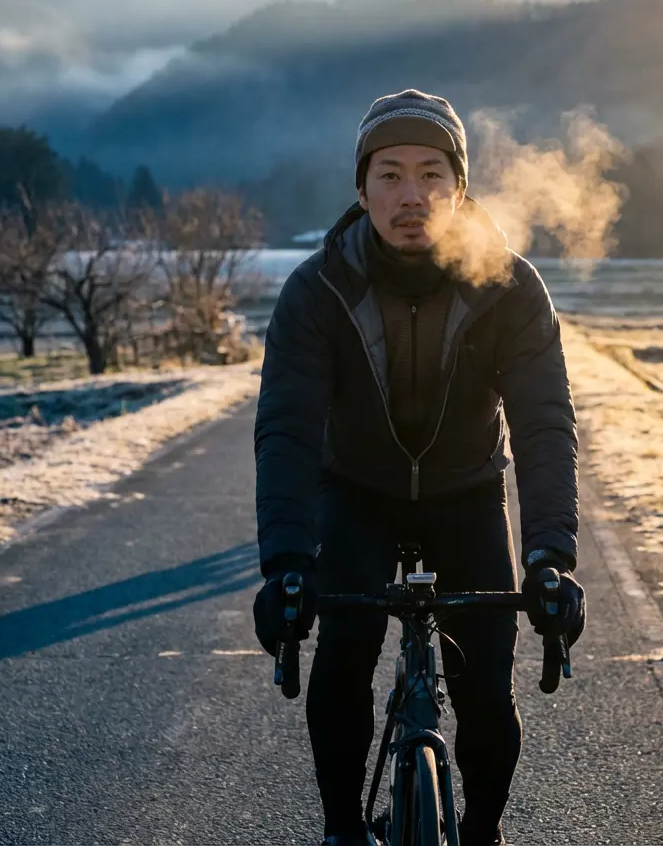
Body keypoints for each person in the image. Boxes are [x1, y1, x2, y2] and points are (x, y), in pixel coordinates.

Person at [253, 89, 585, 846]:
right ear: (361, 189)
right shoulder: (317, 290)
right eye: (392, 175)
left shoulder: (510, 286)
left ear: (460, 186)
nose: (413, 196)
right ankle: (342, 830)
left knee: (486, 690)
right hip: (356, 493)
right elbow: (288, 430)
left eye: (433, 174)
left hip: (466, 492)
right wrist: (287, 562)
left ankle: (483, 832)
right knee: (341, 662)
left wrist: (549, 558)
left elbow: (542, 423)